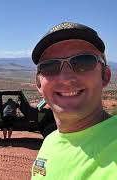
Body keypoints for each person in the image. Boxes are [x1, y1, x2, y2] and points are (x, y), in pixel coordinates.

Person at [30, 22, 117, 179]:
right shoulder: (50, 143)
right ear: (38, 84)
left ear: (105, 76)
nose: (66, 78)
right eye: (49, 67)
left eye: (83, 62)